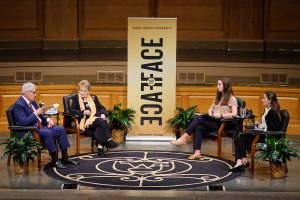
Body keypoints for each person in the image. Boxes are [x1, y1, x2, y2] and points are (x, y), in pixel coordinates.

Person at [13, 82, 79, 169]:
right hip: (29, 131)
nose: (35, 94)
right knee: (48, 132)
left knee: (60, 129)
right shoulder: (18, 105)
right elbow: (24, 122)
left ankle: (65, 158)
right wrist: (36, 113)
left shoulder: (32, 102)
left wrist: (48, 119)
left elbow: (40, 115)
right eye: (34, 92)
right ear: (26, 92)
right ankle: (54, 161)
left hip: (39, 127)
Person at [171, 77, 238, 159]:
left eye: (219, 84)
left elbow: (234, 114)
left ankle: (184, 138)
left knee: (198, 119)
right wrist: (210, 112)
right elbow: (211, 108)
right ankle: (197, 152)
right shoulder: (218, 97)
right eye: (217, 84)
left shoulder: (232, 99)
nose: (217, 86)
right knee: (199, 127)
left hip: (224, 123)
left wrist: (220, 115)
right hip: (214, 120)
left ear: (226, 86)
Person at [230, 91, 282, 172]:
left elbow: (274, 129)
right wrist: (259, 124)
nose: (262, 100)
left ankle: (242, 162)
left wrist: (260, 130)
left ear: (270, 100)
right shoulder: (267, 109)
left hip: (267, 138)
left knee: (240, 137)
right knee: (238, 136)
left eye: (264, 98)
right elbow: (267, 124)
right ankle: (242, 161)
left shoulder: (272, 112)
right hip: (262, 134)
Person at [69, 80, 118, 156]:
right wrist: (83, 112)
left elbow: (102, 107)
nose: (82, 92)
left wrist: (103, 114)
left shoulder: (93, 97)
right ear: (79, 90)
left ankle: (100, 148)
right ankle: (108, 140)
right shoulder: (76, 98)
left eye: (85, 91)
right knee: (102, 122)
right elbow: (71, 110)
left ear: (88, 91)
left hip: (96, 120)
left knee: (101, 122)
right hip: (85, 122)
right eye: (81, 90)